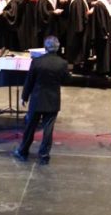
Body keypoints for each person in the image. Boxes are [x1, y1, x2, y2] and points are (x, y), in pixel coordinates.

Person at [12, 36, 70, 165]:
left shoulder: (37, 62)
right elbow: (66, 80)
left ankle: (23, 151)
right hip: (53, 100)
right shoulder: (62, 63)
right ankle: (44, 155)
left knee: (30, 127)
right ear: (58, 47)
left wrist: (24, 97)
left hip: (37, 99)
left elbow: (29, 81)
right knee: (48, 129)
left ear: (45, 48)